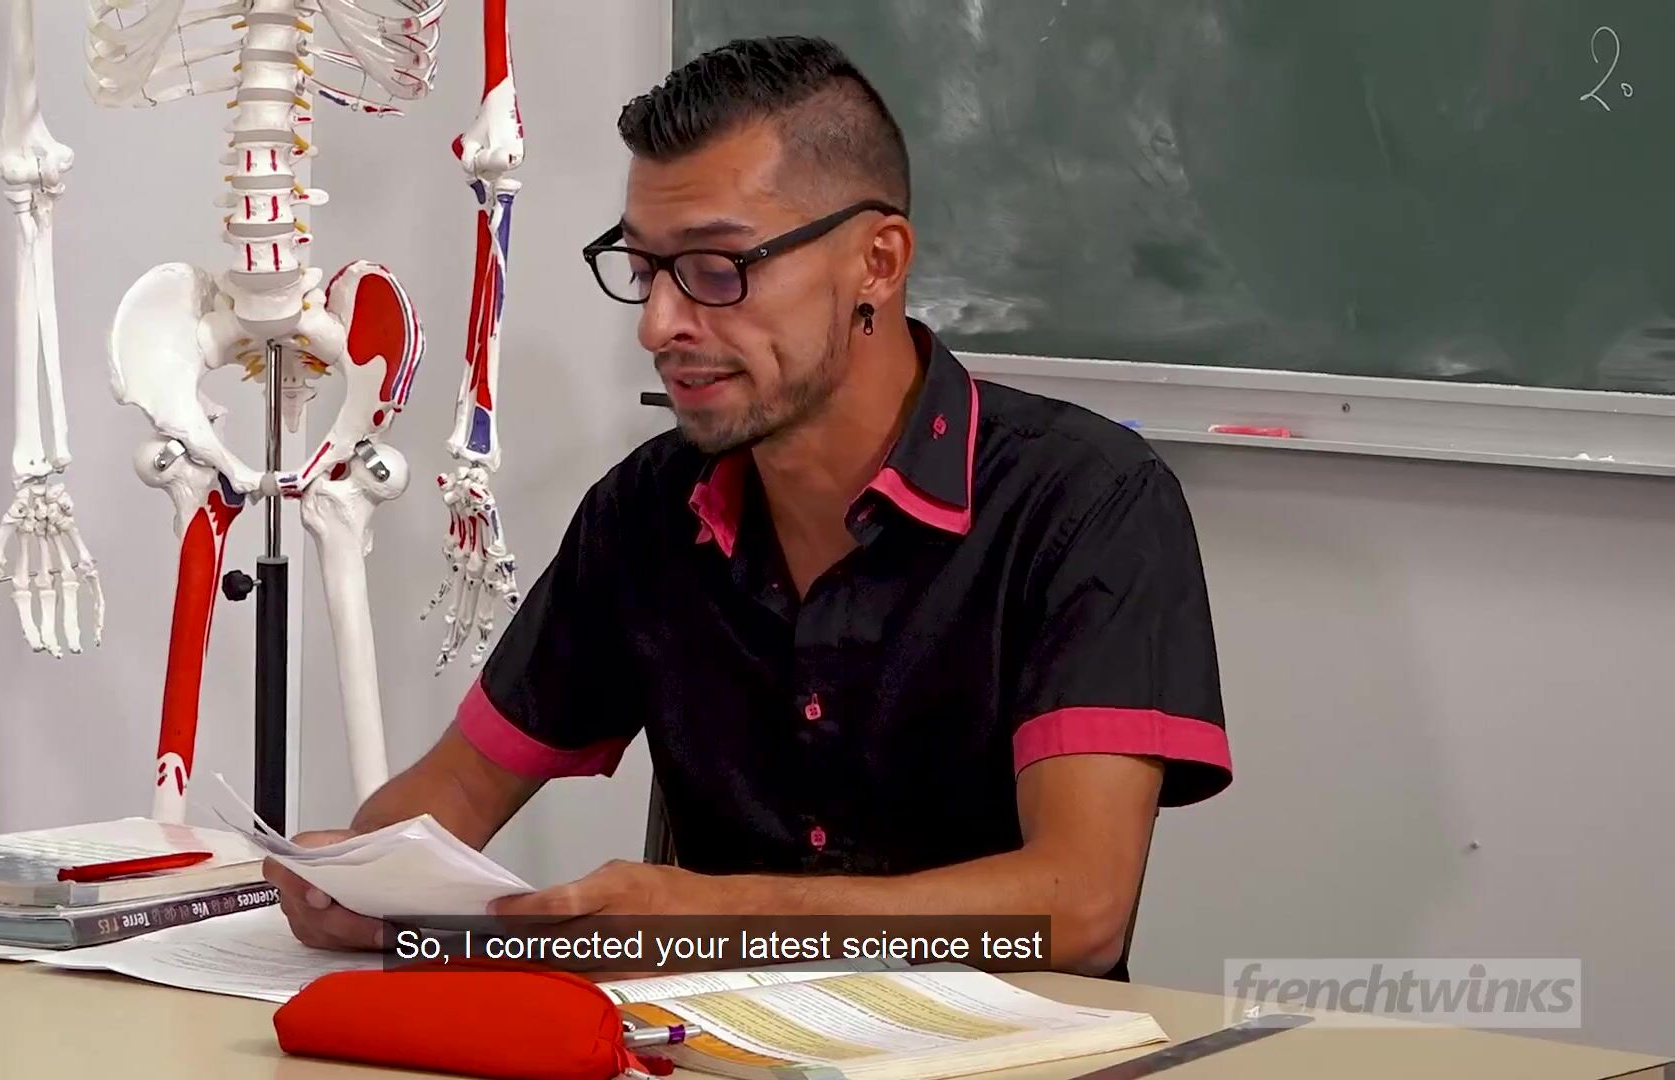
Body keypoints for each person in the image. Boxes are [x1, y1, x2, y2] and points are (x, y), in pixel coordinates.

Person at [265, 34, 1232, 979]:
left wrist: (714, 918)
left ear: (878, 262)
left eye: (717, 269)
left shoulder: (1084, 502)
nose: (659, 325)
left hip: (1010, 1050)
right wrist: (358, 880)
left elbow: (1079, 910)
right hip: (705, 1047)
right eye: (644, 270)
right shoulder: (646, 510)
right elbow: (456, 792)